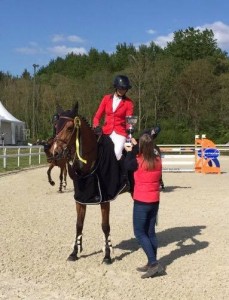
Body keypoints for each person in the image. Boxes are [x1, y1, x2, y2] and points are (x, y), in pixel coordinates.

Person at [124, 133, 164, 279]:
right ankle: (151, 261)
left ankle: (154, 264)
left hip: (142, 200)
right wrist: (137, 146)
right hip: (154, 200)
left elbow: (126, 165)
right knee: (150, 232)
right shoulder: (158, 160)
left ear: (140, 146)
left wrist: (130, 150)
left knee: (139, 233)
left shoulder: (137, 161)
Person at [93, 75, 134, 161]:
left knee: (116, 153)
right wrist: (96, 126)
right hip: (105, 131)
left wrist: (129, 138)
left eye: (124, 89)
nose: (122, 91)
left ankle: (118, 173)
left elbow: (129, 123)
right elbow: (97, 116)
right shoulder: (106, 98)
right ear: (116, 87)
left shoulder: (129, 103)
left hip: (120, 133)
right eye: (120, 88)